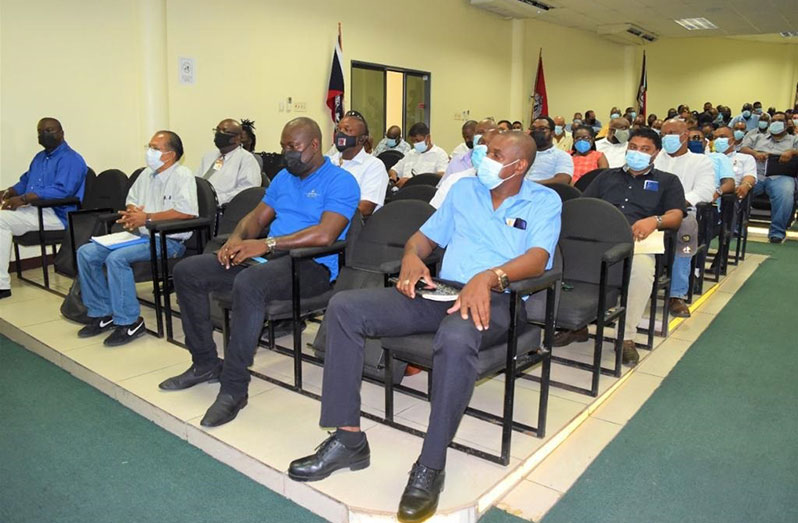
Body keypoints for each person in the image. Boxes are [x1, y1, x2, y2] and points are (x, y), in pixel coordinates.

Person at [287, 131, 561, 523]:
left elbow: (538, 258)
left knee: (455, 336)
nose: (483, 155)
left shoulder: (544, 201)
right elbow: (423, 238)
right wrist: (412, 257)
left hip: (497, 300)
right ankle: (348, 438)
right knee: (345, 307)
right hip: (442, 292)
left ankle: (431, 464)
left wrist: (489, 277)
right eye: (485, 149)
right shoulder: (465, 190)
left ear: (518, 166)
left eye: (496, 153)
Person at [158, 117, 360, 427]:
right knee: (188, 271)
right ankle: (205, 363)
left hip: (312, 265)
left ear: (315, 146)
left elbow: (325, 234)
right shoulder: (283, 178)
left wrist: (267, 244)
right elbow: (254, 218)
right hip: (271, 256)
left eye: (293, 147)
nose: (286, 153)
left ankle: (234, 388)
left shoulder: (340, 181)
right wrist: (238, 240)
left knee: (249, 282)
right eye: (283, 147)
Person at [556, 127, 685, 364]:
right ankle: (577, 324)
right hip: (598, 238)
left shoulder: (668, 181)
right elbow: (585, 205)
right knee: (563, 259)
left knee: (641, 271)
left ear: (655, 153)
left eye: (645, 149)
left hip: (638, 241)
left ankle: (626, 337)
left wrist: (655, 220)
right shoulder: (606, 176)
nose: (637, 153)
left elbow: (676, 216)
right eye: (633, 147)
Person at [76, 130, 197, 346]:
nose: (149, 152)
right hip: (140, 237)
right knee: (86, 253)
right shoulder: (146, 175)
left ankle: (129, 322)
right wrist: (133, 213)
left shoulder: (183, 175)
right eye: (148, 147)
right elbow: (131, 200)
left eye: (155, 148)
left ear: (170, 154)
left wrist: (147, 218)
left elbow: (186, 212)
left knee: (116, 259)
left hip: (168, 241)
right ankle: (102, 313)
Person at [0, 118, 87, 299]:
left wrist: (25, 198)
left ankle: (1, 286)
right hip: (37, 210)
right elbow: (25, 182)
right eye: (41, 132)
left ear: (61, 133)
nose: (44, 135)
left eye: (49, 130)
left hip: (59, 214)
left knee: (1, 221)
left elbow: (63, 191)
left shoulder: (71, 159)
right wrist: (8, 192)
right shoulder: (40, 158)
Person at [654, 119, 716, 318]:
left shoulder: (700, 161)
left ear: (685, 135)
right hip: (649, 209)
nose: (667, 137)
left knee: (687, 233)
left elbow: (705, 191)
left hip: (683, 212)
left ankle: (676, 294)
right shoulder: (653, 157)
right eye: (664, 133)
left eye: (672, 132)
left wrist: (677, 204)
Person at [739, 112, 798, 243]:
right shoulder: (758, 137)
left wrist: (792, 152)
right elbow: (742, 148)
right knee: (739, 189)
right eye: (774, 120)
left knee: (786, 192)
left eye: (780, 120)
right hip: (756, 175)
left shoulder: (794, 139)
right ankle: (737, 227)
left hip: (781, 176)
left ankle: (777, 232)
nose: (776, 123)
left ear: (786, 123)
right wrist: (755, 153)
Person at [326, 110, 388, 217]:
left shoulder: (374, 166)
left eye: (347, 130)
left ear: (361, 139)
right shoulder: (328, 162)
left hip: (354, 226)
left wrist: (327, 211)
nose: (340, 134)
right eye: (338, 129)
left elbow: (365, 208)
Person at [196, 119, 261, 205]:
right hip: (199, 205)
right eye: (217, 130)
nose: (218, 134)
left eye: (224, 131)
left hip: (224, 208)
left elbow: (248, 191)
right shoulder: (209, 156)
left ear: (237, 138)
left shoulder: (247, 160)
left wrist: (215, 199)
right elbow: (197, 180)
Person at [430, 129, 499, 208]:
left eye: (490, 146)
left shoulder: (508, 186)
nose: (483, 149)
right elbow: (433, 212)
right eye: (481, 143)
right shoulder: (455, 180)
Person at [389, 122, 449, 188]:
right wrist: (394, 178)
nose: (415, 144)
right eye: (412, 141)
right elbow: (393, 170)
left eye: (418, 140)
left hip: (425, 193)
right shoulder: (410, 154)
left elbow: (442, 175)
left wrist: (411, 181)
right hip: (404, 192)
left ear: (428, 138)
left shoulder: (439, 154)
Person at [712, 126, 757, 201]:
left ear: (732, 140)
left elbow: (750, 176)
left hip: (731, 198)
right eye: (715, 138)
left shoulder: (746, 158)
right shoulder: (707, 157)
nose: (718, 140)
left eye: (722, 137)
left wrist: (745, 185)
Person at [527, 116, 573, 185]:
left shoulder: (562, 156)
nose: (536, 131)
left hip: (545, 192)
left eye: (542, 129)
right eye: (533, 128)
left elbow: (562, 180)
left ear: (552, 133)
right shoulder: (523, 153)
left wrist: (530, 185)